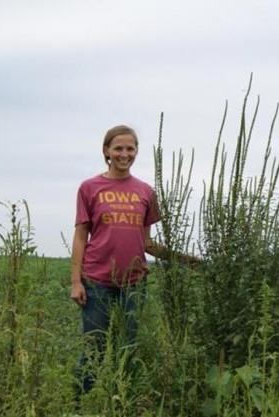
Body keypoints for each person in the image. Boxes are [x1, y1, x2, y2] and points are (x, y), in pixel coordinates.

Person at [70, 124, 195, 397]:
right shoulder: (90, 188)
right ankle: (79, 404)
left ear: (136, 151)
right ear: (106, 152)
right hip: (96, 281)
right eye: (118, 148)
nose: (124, 154)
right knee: (95, 347)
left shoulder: (146, 192)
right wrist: (76, 281)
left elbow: (147, 243)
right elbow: (81, 236)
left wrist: (186, 260)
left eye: (130, 148)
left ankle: (121, 400)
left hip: (134, 283)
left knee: (128, 346)